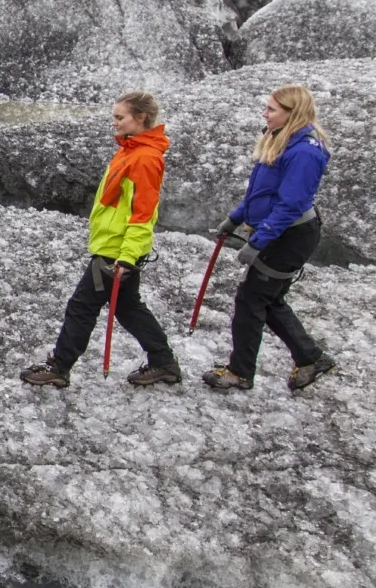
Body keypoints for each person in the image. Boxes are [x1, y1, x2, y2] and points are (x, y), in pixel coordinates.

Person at [21, 92, 182, 388]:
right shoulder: (131, 150)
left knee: (82, 306)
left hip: (116, 251)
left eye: (120, 117)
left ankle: (60, 366)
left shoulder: (144, 158)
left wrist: (127, 256)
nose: (115, 122)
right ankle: (163, 362)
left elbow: (142, 214)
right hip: (116, 247)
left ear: (140, 118)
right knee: (128, 307)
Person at [203, 84, 336, 391]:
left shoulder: (303, 152)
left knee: (252, 300)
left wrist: (258, 241)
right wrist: (237, 217)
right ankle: (310, 357)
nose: (265, 113)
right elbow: (262, 192)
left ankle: (240, 372)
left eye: (271, 109)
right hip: (282, 232)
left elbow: (289, 206)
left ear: (293, 113)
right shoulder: (282, 139)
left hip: (288, 236)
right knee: (268, 299)